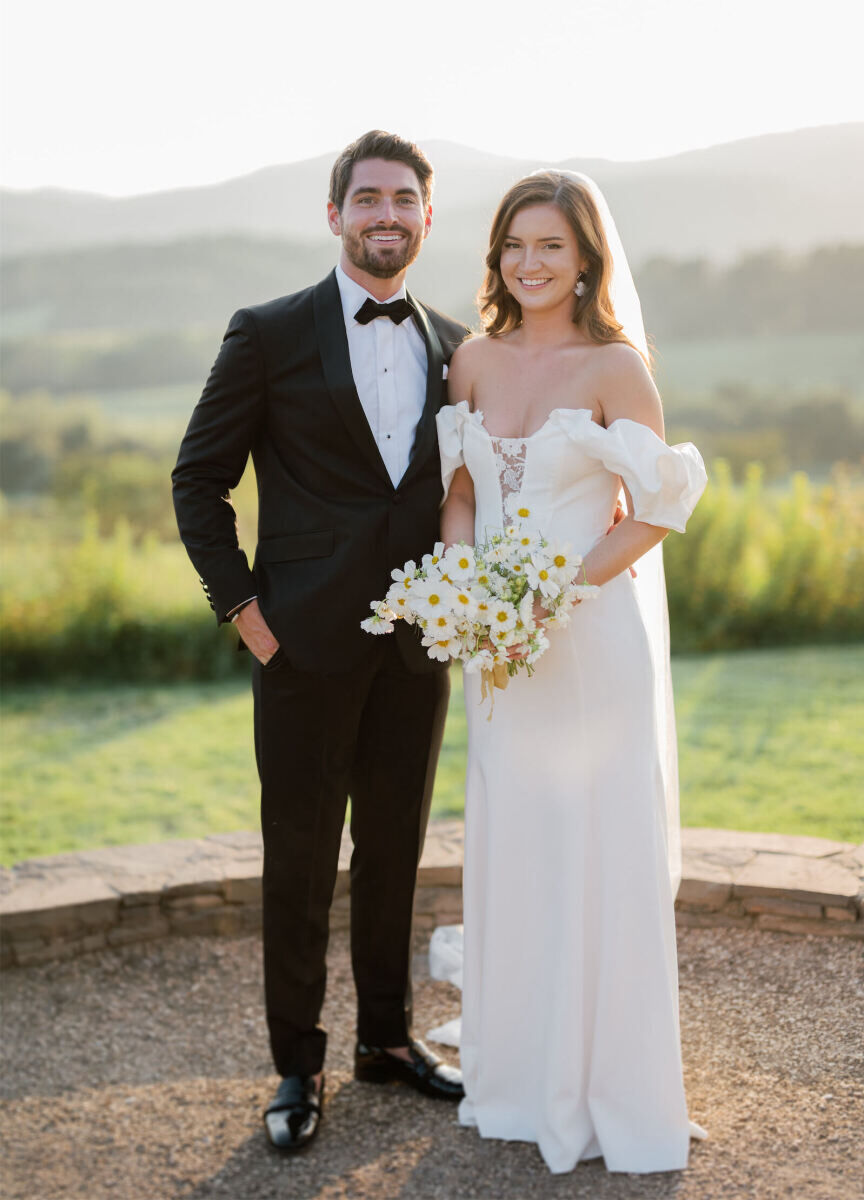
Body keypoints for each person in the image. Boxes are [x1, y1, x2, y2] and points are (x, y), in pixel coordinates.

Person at [172, 130, 468, 1153]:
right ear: (335, 213)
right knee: (299, 861)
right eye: (369, 199)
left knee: (394, 853)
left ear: (429, 217)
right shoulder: (268, 333)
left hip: (415, 651)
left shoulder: (459, 346)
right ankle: (297, 1064)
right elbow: (196, 481)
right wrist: (249, 618)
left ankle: (386, 1038)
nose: (387, 216)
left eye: (405, 201)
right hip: (298, 649)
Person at [437, 171, 708, 1174]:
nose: (528, 263)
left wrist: (553, 592)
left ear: (586, 256)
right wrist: (468, 587)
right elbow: (460, 491)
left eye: (549, 246)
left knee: (597, 850)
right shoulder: (471, 358)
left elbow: (661, 504)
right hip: (499, 653)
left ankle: (612, 1087)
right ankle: (516, 1079)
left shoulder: (615, 365)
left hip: (590, 643)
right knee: (518, 841)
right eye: (514, 244)